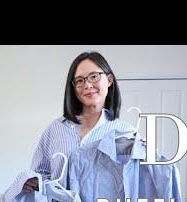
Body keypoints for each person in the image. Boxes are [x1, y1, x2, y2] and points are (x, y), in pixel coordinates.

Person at [23, 51, 139, 192]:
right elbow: (40, 175)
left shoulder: (125, 132)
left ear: (109, 80)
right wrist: (31, 182)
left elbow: (133, 181)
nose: (87, 85)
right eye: (79, 80)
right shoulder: (55, 129)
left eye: (94, 77)